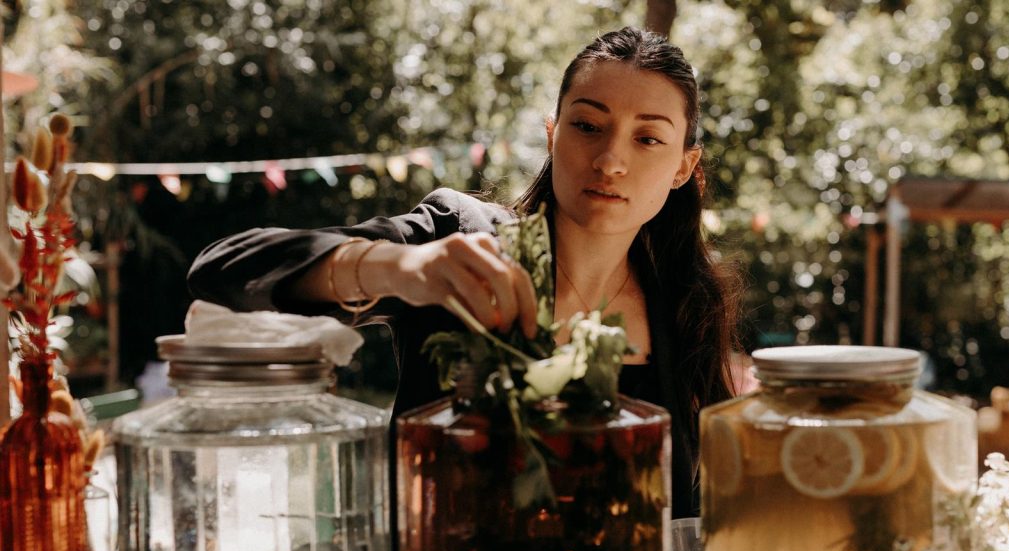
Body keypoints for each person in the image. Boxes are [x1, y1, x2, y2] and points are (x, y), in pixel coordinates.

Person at [188, 26, 740, 521]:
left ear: (682, 168)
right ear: (553, 135)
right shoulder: (464, 239)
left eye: (647, 138)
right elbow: (222, 269)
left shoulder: (685, 298)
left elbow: (699, 506)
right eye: (588, 125)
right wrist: (396, 266)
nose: (610, 160)